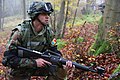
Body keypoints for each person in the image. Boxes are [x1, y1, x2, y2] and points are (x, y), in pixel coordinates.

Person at [2, 1, 74, 80]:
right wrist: (34, 62)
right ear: (35, 15)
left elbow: (55, 51)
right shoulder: (20, 32)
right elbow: (8, 59)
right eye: (43, 14)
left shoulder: (49, 33)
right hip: (21, 68)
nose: (47, 17)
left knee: (59, 70)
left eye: (48, 14)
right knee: (15, 74)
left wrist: (62, 62)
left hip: (40, 65)